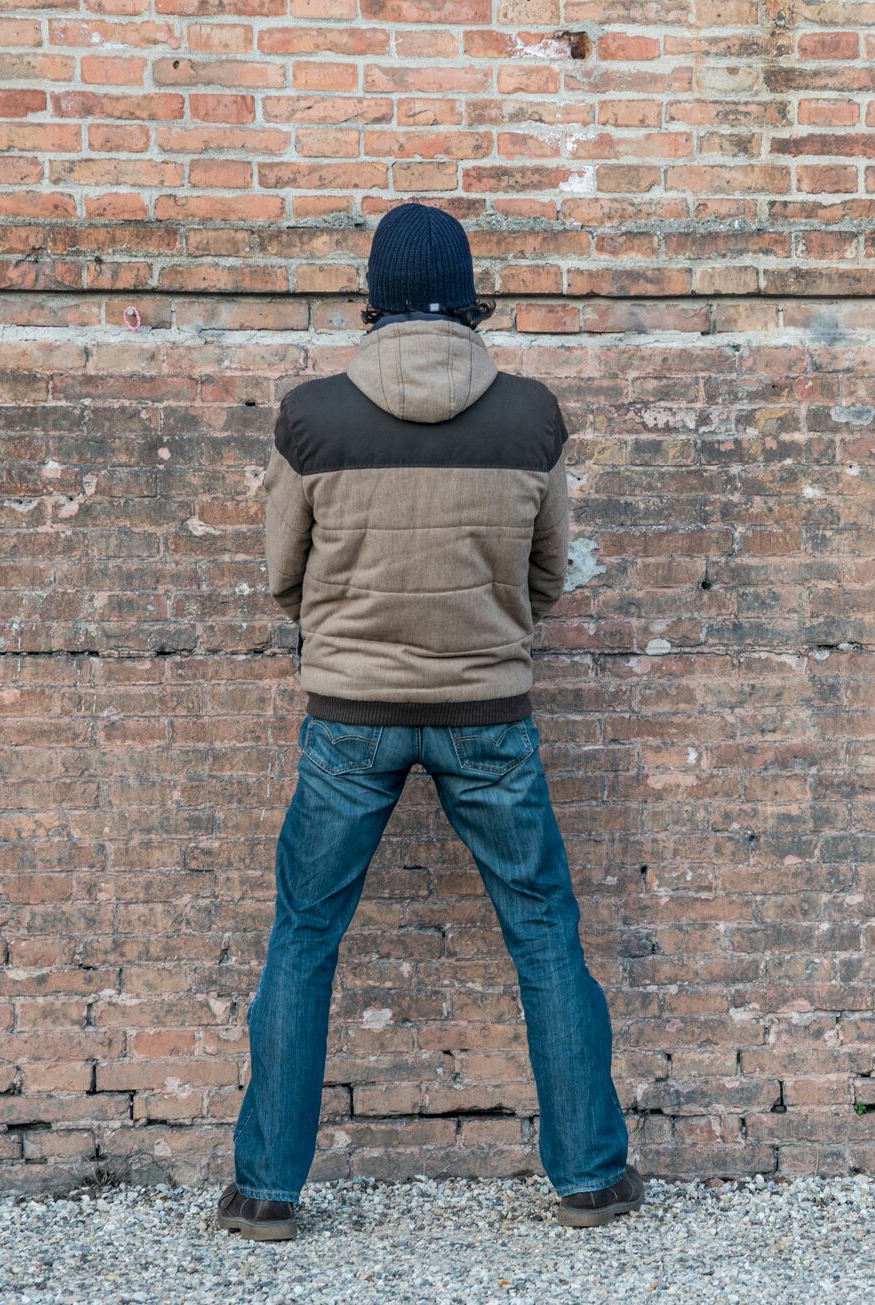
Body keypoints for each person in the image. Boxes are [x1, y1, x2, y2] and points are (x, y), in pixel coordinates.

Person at [217, 202, 642, 1239]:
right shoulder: (530, 415)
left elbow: (282, 574)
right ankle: (589, 1175)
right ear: (468, 300)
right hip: (487, 712)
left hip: (349, 716)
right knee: (543, 931)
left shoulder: (311, 416)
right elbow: (546, 575)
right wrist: (485, 633)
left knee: (305, 937)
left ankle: (266, 1190)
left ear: (375, 301)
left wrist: (349, 640)